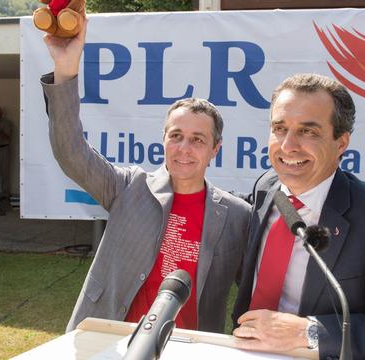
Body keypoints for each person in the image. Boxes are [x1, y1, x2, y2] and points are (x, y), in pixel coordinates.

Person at [41, 20, 250, 333]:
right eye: (176, 135)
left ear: (215, 149)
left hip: (189, 351)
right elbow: (70, 152)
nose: (184, 148)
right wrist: (66, 68)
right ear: (163, 139)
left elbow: (255, 291)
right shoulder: (128, 187)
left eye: (198, 139)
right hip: (107, 340)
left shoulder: (237, 215)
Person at [231, 73, 365, 359]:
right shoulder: (267, 187)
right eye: (280, 128)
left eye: (308, 131)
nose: (287, 146)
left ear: (341, 143)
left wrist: (307, 332)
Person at [0, 105, 12, 199]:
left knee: (4, 172)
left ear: (1, 113)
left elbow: (8, 137)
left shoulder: (6, 123)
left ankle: (5, 193)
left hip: (2, 149)